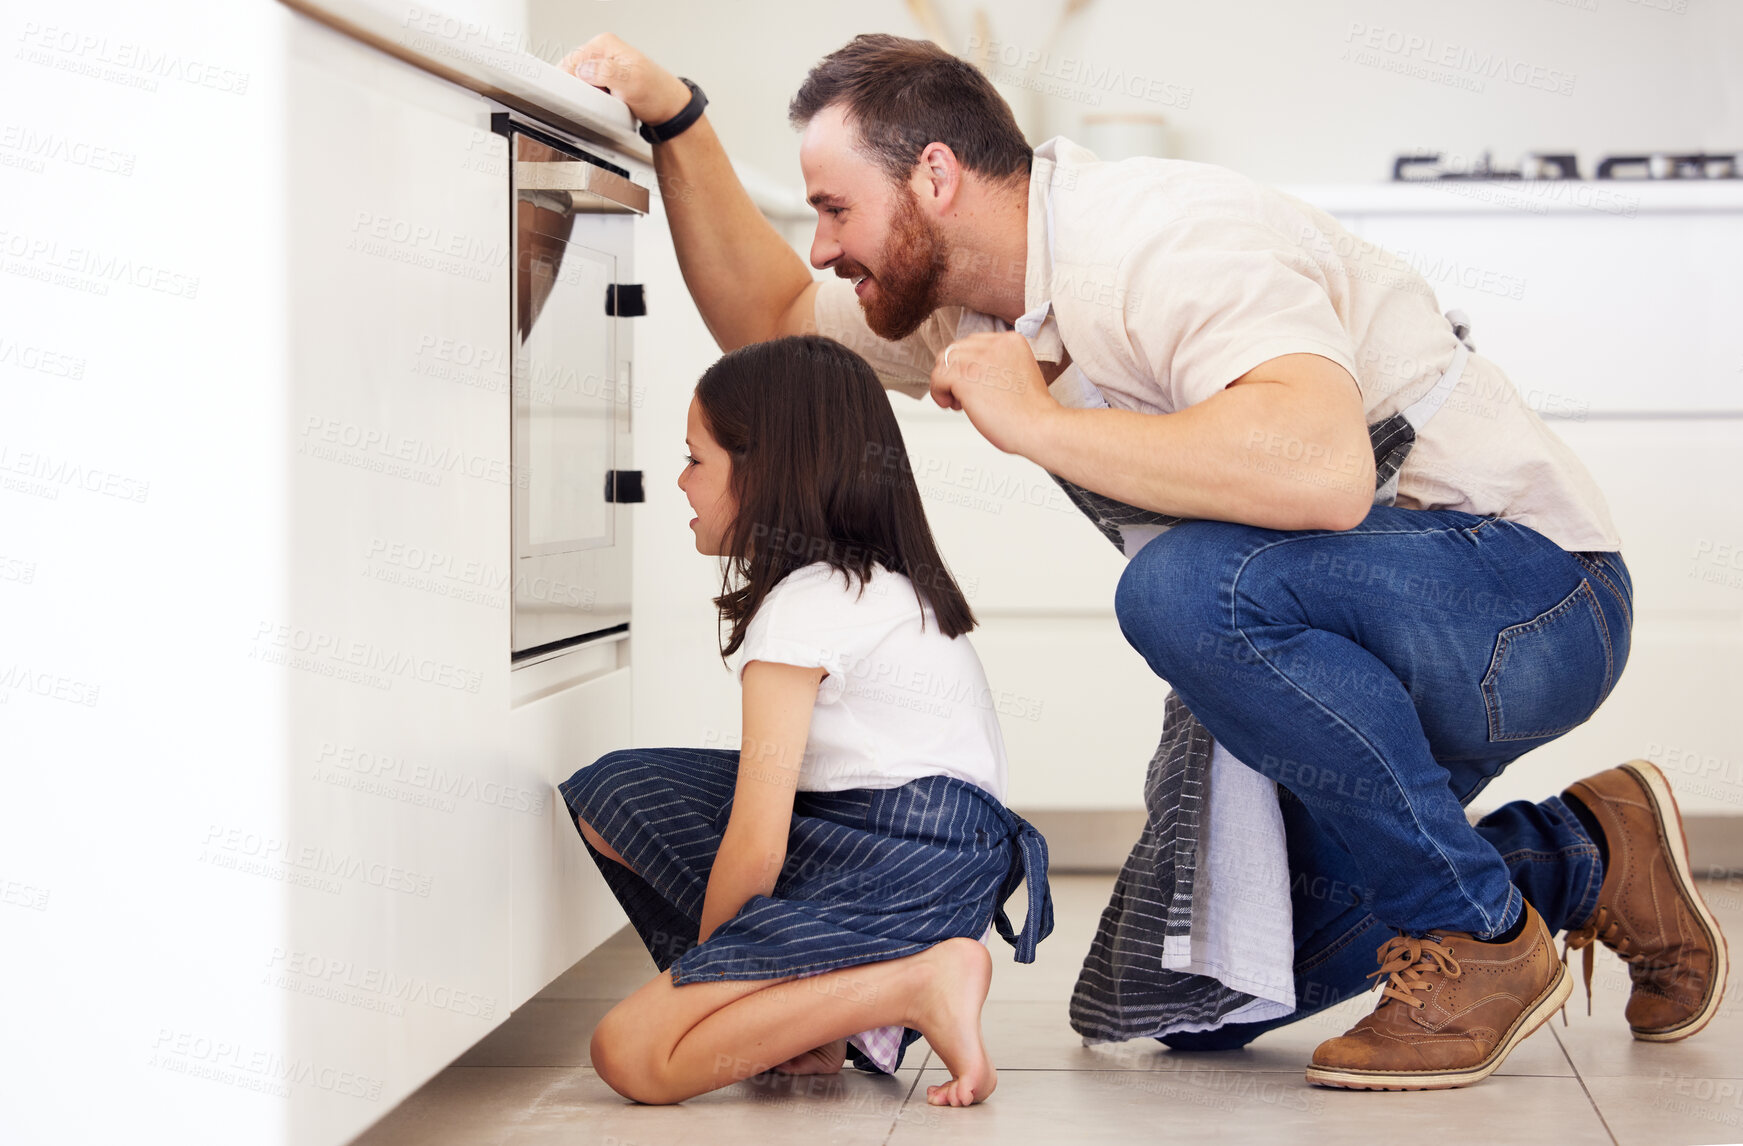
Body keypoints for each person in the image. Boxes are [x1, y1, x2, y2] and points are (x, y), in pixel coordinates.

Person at [558, 31, 1727, 1090]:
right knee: (1179, 994)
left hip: (1527, 599)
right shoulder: (964, 305)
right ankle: (1586, 848)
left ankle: (1475, 941)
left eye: (833, 207)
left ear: (933, 177)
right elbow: (770, 324)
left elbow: (1325, 471)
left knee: (1178, 587)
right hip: (1357, 630)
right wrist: (675, 117)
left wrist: (1041, 425)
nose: (822, 245)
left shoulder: (1160, 241)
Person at [559, 334, 1054, 1107]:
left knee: (632, 1054)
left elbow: (756, 844)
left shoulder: (803, 610)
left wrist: (713, 975)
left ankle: (915, 983)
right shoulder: (877, 584)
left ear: (759, 472)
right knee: (620, 792)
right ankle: (808, 1017)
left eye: (696, 459)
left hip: (896, 868)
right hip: (921, 850)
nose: (680, 482)